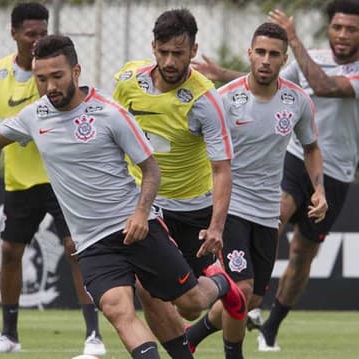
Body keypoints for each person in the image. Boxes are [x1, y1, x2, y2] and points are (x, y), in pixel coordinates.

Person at [0, 34, 247, 359]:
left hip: (135, 227)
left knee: (190, 303)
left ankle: (218, 280)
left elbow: (151, 170)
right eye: (41, 79)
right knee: (117, 309)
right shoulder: (35, 116)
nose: (50, 86)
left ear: (76, 71)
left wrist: (142, 214)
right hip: (92, 243)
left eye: (57, 76)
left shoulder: (110, 113)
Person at [192, 0, 359, 352]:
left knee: (302, 254)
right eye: (337, 27)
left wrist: (293, 42)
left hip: (337, 169)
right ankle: (239, 279)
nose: (342, 35)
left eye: (351, 29)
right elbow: (265, 84)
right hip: (290, 159)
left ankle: (269, 325)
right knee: (276, 217)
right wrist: (223, 74)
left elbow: (322, 85)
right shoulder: (298, 58)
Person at [185, 22, 327, 358]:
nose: (265, 59)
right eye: (260, 52)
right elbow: (190, 143)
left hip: (268, 212)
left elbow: (311, 147)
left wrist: (318, 190)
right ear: (249, 53)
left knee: (251, 298)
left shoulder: (297, 101)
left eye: (273, 54)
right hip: (228, 207)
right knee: (242, 289)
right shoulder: (224, 99)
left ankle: (191, 335)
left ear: (283, 59)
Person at [111, 8, 242, 358]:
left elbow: (221, 170)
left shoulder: (206, 100)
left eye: (179, 54)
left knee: (190, 306)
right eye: (164, 51)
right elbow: (112, 131)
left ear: (194, 51)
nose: (170, 61)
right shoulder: (127, 81)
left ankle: (218, 282)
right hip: (145, 203)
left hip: (191, 207)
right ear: (153, 46)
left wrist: (216, 227)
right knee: (146, 287)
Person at [0, 3, 104, 355]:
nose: (37, 41)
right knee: (9, 250)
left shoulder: (52, 71)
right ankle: (9, 335)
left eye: (42, 34)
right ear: (14, 33)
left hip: (61, 177)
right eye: (30, 34)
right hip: (20, 180)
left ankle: (93, 335)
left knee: (75, 249)